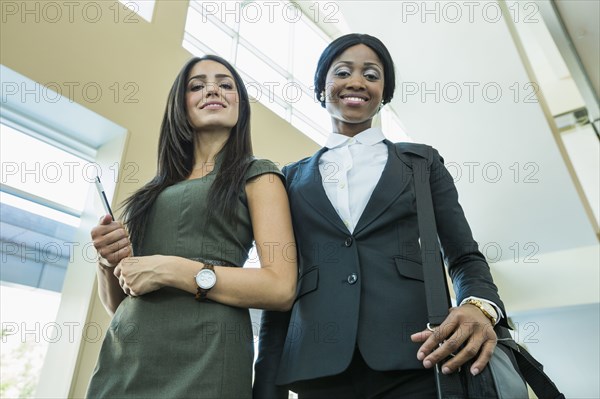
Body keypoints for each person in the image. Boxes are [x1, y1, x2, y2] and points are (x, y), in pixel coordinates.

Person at [253, 34, 508, 399]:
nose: (357, 82)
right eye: (343, 72)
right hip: (317, 369)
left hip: (417, 357)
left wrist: (478, 307)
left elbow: (464, 255)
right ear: (322, 87)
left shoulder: (421, 162)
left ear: (384, 93)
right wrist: (266, 388)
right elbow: (280, 288)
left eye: (371, 75)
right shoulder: (289, 178)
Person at [87, 55, 297, 399]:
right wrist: (107, 261)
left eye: (225, 84)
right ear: (179, 106)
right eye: (197, 86)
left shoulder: (258, 174)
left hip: (208, 358)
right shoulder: (150, 194)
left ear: (240, 106)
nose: (212, 89)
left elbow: (280, 287)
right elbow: (119, 304)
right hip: (126, 357)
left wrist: (172, 269)